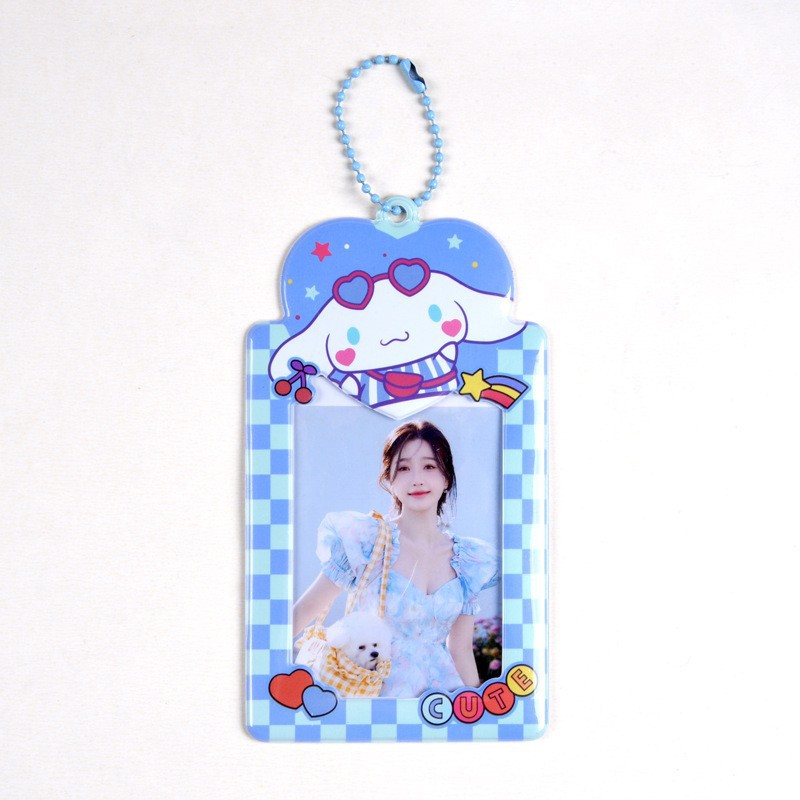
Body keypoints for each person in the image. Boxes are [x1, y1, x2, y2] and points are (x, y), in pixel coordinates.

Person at [292, 420, 499, 698]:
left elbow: (460, 650)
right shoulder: (367, 541)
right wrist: (257, 669)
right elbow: (304, 611)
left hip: (438, 701)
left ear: (446, 477)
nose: (417, 479)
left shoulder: (468, 562)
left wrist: (477, 709)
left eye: (429, 466)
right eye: (403, 468)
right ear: (388, 480)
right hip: (370, 694)